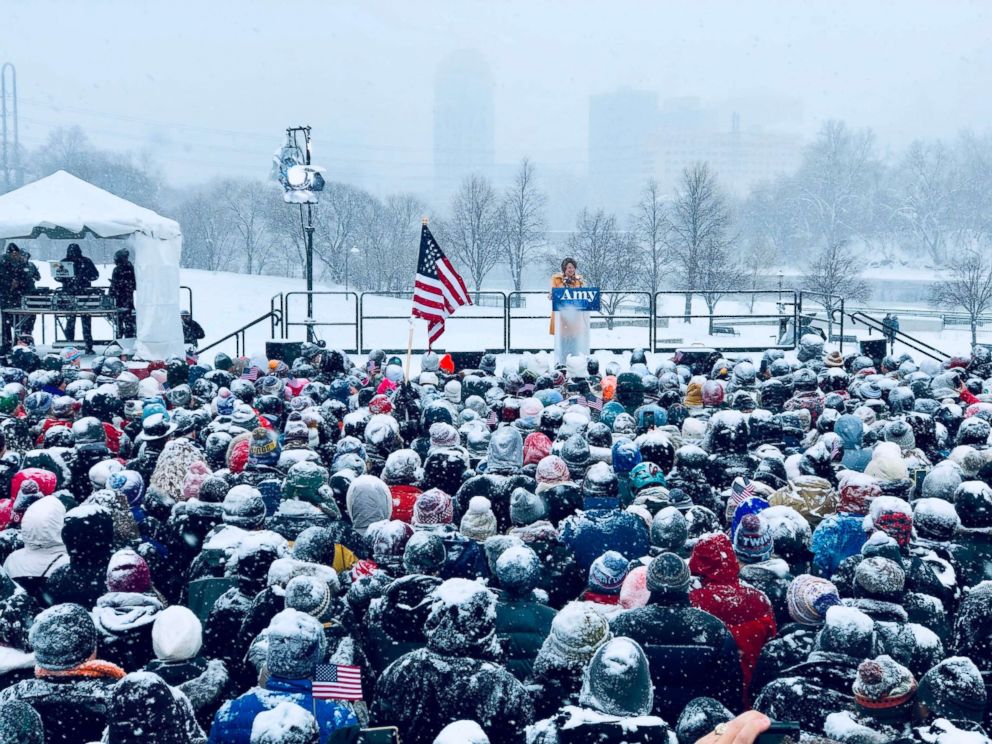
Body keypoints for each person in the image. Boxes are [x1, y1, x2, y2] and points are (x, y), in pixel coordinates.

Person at [56, 243, 100, 353]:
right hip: (75, 295)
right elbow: (57, 277)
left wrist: (81, 277)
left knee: (78, 322)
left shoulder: (67, 261)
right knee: (76, 322)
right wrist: (67, 277)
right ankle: (73, 346)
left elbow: (95, 275)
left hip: (81, 295)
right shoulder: (83, 261)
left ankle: (79, 346)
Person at [0, 244, 39, 353]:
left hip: (16, 297)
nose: (17, 256)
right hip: (8, 297)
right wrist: (10, 284)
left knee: (17, 322)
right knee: (9, 323)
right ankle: (10, 345)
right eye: (15, 254)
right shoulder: (4, 264)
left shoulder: (22, 265)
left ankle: (17, 342)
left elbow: (28, 278)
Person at [549, 257, 587, 366]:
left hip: (575, 317)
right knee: (562, 345)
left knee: (574, 344)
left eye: (573, 267)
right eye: (569, 267)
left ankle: (575, 365)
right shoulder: (556, 279)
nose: (571, 270)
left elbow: (582, 296)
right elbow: (552, 293)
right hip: (561, 318)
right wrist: (552, 295)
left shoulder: (579, 280)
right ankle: (562, 365)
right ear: (564, 268)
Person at [110, 247, 137, 338]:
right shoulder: (131, 268)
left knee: (119, 322)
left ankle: (120, 338)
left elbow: (114, 285)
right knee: (128, 321)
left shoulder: (117, 270)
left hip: (120, 300)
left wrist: (114, 289)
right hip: (128, 300)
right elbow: (134, 284)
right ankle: (129, 339)